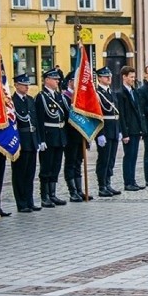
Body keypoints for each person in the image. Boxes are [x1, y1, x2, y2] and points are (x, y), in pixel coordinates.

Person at [35, 68, 68, 208]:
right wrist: (41, 140)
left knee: (56, 166)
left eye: (58, 79)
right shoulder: (41, 97)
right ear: (47, 80)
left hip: (59, 136)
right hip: (48, 137)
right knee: (46, 167)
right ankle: (45, 196)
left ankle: (53, 194)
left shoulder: (59, 96)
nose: (57, 81)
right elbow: (39, 120)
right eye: (55, 79)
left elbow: (65, 116)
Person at [10, 74, 42, 212]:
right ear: (16, 85)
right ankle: (21, 203)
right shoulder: (12, 102)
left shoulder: (30, 100)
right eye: (23, 85)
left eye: (27, 85)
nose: (27, 87)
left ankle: (29, 201)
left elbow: (36, 122)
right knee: (19, 174)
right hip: (21, 141)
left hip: (32, 140)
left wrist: (39, 140)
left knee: (30, 174)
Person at [60, 72, 91, 203]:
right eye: (75, 80)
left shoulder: (81, 97)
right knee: (70, 163)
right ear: (70, 82)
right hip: (70, 136)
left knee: (78, 162)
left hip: (81, 136)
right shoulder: (65, 98)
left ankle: (79, 190)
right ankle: (72, 191)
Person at [116, 65, 145, 191]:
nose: (133, 79)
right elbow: (121, 115)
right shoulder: (120, 93)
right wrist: (124, 133)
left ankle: (133, 180)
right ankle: (127, 182)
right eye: (131, 77)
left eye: (134, 77)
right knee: (128, 156)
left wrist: (141, 128)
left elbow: (139, 110)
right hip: (128, 129)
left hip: (136, 128)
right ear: (124, 77)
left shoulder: (134, 91)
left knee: (134, 156)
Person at [94, 67, 122, 197]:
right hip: (105, 129)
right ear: (99, 78)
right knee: (104, 159)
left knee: (111, 159)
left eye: (109, 76)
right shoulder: (97, 93)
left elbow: (117, 112)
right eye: (105, 76)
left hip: (114, 128)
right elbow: (97, 115)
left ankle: (108, 182)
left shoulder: (111, 92)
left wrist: (120, 130)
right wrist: (100, 134)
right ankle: (102, 185)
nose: (109, 78)